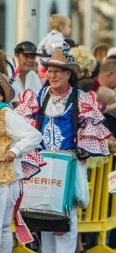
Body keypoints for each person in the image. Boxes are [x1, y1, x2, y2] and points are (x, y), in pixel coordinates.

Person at [15, 49, 111, 253]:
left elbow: (89, 140)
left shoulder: (81, 99)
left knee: (65, 227)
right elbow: (22, 127)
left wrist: (77, 156)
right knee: (45, 224)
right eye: (49, 71)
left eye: (58, 71)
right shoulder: (40, 97)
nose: (52, 76)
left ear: (69, 74)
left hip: (68, 170)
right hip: (42, 169)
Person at [0, 73, 44, 253]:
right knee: (2, 227)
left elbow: (34, 135)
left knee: (2, 227)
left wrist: (14, 151)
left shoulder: (5, 114)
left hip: (3, 178)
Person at [11, 41, 42, 106]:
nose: (30, 60)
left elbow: (40, 100)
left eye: (32, 57)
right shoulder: (7, 75)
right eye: (26, 56)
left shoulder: (34, 76)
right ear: (16, 56)